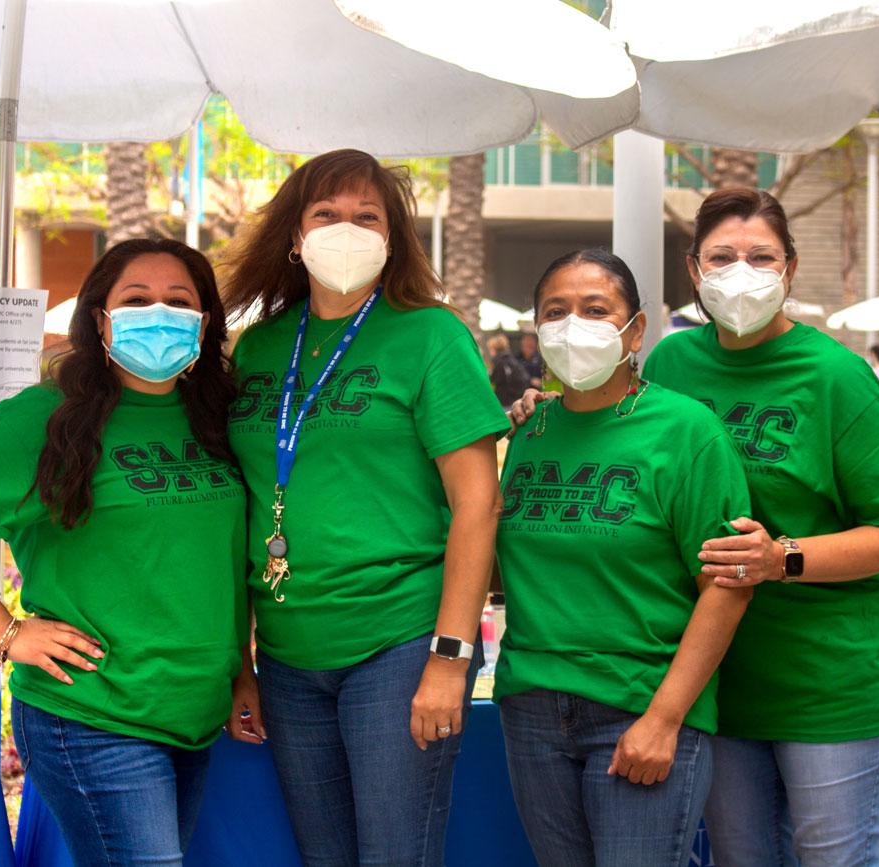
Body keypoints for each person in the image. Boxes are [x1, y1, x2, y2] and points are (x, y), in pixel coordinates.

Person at [0, 239, 247, 867]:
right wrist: (6, 631)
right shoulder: (43, 418)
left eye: (179, 301)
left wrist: (242, 674)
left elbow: (218, 568)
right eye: (136, 299)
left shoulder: (217, 419)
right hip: (91, 710)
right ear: (100, 317)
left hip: (194, 709)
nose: (159, 313)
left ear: (203, 321)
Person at [219, 148, 510, 866]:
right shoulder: (258, 346)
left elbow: (478, 504)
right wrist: (242, 663)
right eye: (325, 214)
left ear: (391, 238)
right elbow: (241, 509)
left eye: (366, 217)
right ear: (294, 235)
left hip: (401, 643)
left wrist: (450, 656)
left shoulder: (431, 335)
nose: (345, 229)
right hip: (287, 654)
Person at [643, 189, 879, 867]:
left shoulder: (837, 378)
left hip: (827, 683)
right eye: (722, 256)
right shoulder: (669, 366)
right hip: (716, 681)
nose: (741, 271)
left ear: (790, 269)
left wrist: (782, 557)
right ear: (694, 269)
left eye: (761, 256)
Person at [494, 249, 753, 867]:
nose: (573, 324)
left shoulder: (687, 432)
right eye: (555, 312)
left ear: (635, 330)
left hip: (640, 703)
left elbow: (728, 585)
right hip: (532, 707)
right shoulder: (526, 433)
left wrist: (664, 720)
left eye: (595, 309)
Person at [488, 333, 531, 405]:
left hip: (506, 402)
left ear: (494, 349)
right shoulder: (511, 360)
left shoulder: (500, 362)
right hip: (516, 400)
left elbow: (492, 379)